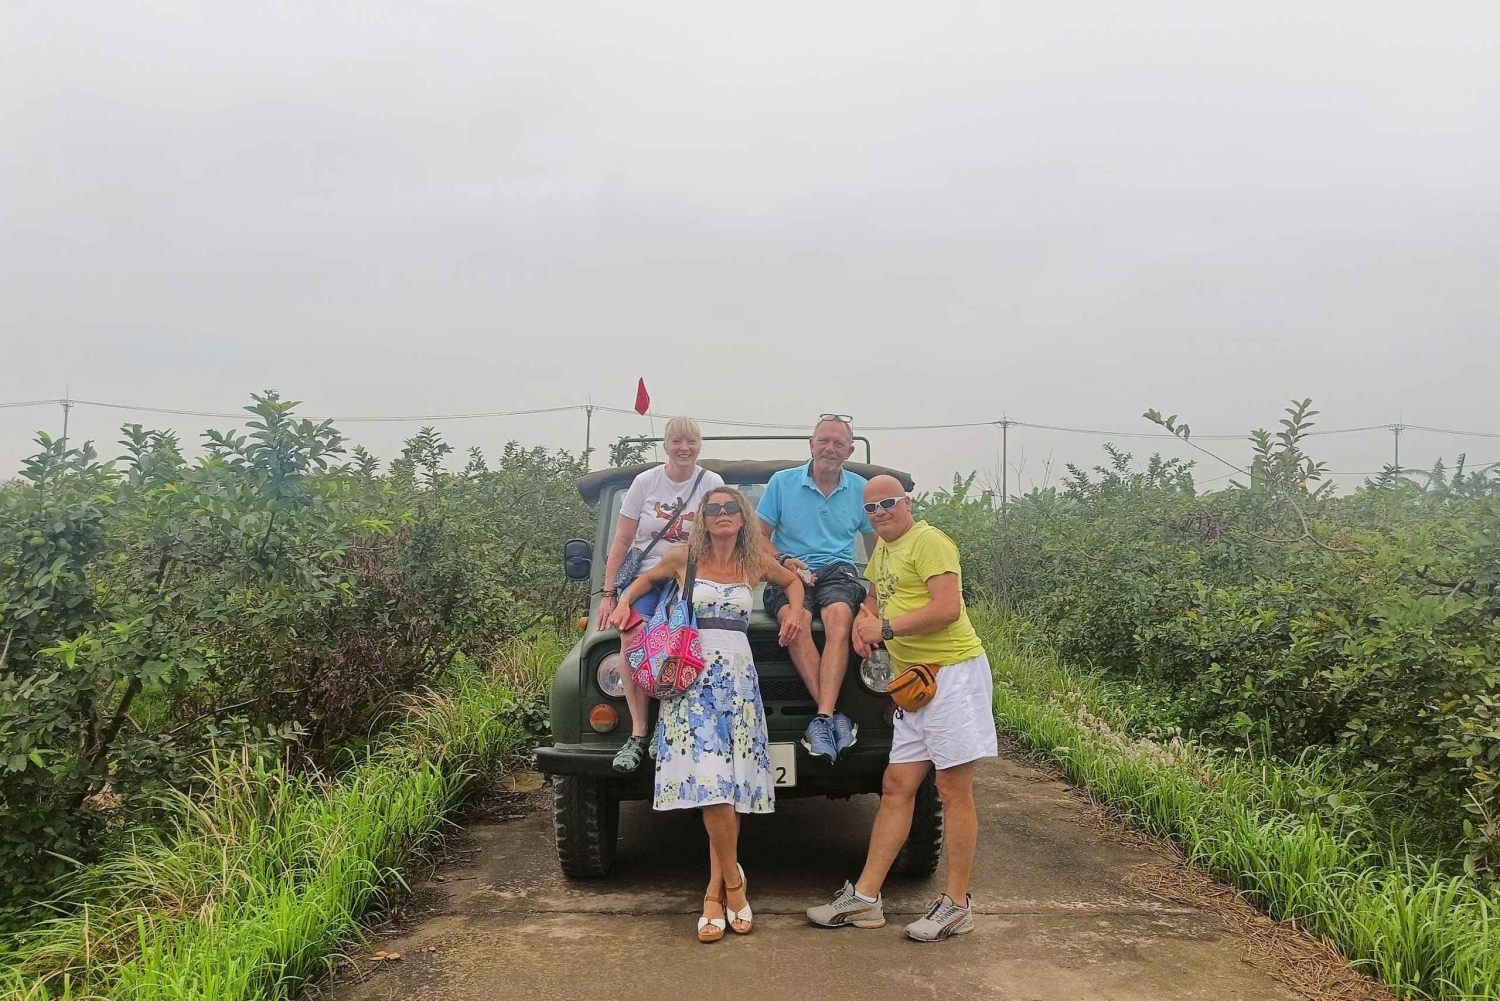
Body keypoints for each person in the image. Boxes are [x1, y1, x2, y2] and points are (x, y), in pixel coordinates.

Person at [806, 475, 998, 942]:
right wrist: (863, 623)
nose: (879, 513)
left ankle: (957, 905)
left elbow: (948, 608)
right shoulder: (884, 549)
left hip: (950, 674)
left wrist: (886, 629)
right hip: (913, 685)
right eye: (870, 508)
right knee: (896, 785)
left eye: (888, 503)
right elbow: (873, 597)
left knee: (952, 788)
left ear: (907, 503)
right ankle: (866, 899)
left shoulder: (930, 542)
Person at [610, 487, 806, 942]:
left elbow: (792, 582)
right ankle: (734, 883)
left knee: (730, 788)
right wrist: (622, 602)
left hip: (738, 682)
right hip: (692, 680)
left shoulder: (754, 562)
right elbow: (646, 579)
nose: (722, 514)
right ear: (703, 518)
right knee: (712, 788)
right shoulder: (685, 558)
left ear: (742, 516)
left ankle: (714, 894)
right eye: (713, 509)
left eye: (730, 508)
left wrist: (795, 611)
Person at [597, 416, 725, 773]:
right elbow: (622, 540)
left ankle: (668, 724)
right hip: (647, 574)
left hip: (690, 572)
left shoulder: (711, 483)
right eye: (677, 441)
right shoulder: (646, 482)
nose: (684, 448)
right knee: (631, 635)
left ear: (699, 445)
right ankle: (639, 731)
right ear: (666, 445)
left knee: (680, 637)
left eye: (691, 441)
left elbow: (726, 531)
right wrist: (609, 594)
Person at [756, 415, 875, 763]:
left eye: (838, 443)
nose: (830, 448)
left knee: (839, 618)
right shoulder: (782, 483)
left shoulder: (861, 489)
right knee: (796, 622)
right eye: (823, 440)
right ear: (811, 445)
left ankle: (822, 717)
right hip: (790, 570)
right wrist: (782, 559)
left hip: (839, 571)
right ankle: (834, 716)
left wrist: (876, 595)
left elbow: (877, 548)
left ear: (849, 451)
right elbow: (759, 537)